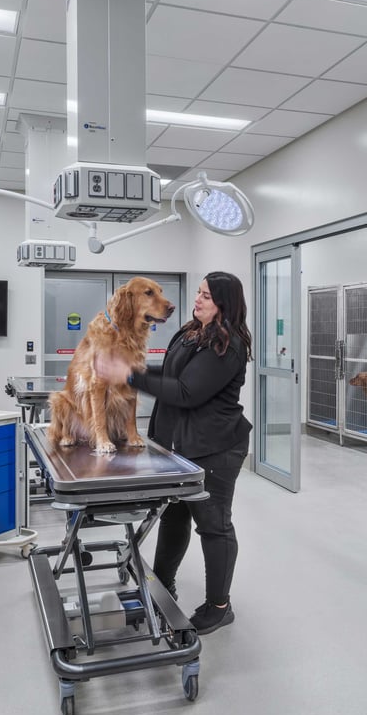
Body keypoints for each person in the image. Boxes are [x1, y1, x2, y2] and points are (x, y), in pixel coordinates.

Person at [93, 272, 252, 635]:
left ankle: (219, 606)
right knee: (174, 517)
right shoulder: (191, 332)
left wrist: (129, 377)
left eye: (207, 296)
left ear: (224, 305)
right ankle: (162, 583)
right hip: (179, 447)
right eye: (198, 292)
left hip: (215, 450)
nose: (197, 299)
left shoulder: (228, 345)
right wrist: (129, 368)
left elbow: (185, 392)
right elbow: (169, 372)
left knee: (214, 526)